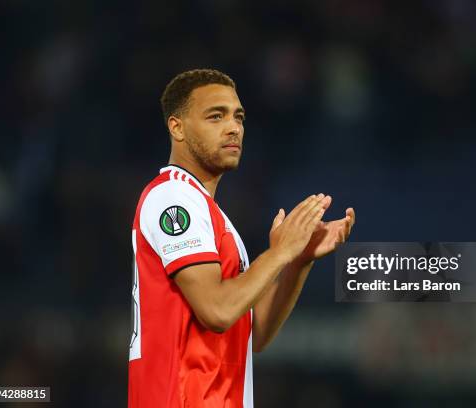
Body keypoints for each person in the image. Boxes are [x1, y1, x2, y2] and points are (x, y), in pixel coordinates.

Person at [128, 68, 355, 408]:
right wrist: (278, 253)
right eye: (215, 116)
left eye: (238, 117)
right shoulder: (173, 197)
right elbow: (218, 310)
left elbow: (253, 333)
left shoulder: (212, 214)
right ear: (177, 127)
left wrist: (298, 261)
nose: (234, 127)